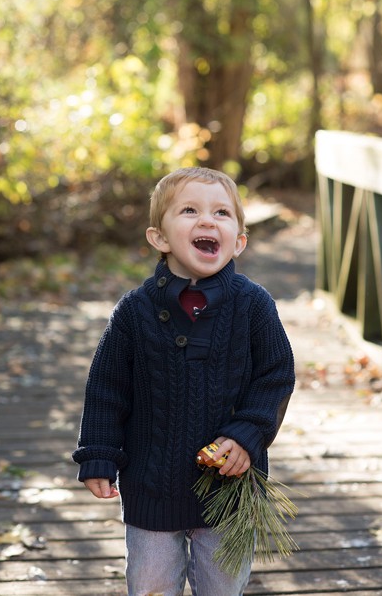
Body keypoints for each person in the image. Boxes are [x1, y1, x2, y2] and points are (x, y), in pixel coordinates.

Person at [72, 166, 295, 596]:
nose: (207, 221)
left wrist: (248, 435)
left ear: (239, 242)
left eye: (222, 213)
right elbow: (106, 389)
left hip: (230, 487)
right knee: (150, 585)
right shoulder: (134, 312)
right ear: (159, 238)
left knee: (222, 587)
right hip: (152, 484)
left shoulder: (253, 306)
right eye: (190, 210)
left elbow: (275, 376)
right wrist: (98, 453)